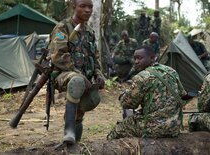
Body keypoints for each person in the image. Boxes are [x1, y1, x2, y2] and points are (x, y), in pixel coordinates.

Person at [48, 0, 105, 146]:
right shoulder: (63, 27)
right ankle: (69, 133)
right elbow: (58, 57)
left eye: (90, 7)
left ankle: (75, 141)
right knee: (77, 81)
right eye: (83, 6)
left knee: (87, 104)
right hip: (63, 75)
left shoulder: (90, 32)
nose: (87, 10)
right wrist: (79, 74)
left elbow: (95, 58)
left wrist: (98, 74)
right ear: (74, 7)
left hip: (83, 78)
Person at [107, 45, 187, 139]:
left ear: (152, 58)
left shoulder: (142, 77)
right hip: (174, 126)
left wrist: (123, 96)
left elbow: (128, 104)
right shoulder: (171, 71)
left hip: (153, 128)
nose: (136, 61)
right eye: (135, 58)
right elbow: (183, 96)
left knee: (116, 131)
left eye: (140, 58)